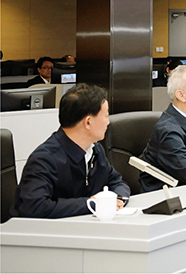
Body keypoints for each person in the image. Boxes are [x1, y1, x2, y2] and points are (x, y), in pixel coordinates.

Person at [10, 83, 129, 219]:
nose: (108, 122)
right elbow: (35, 207)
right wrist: (91, 204)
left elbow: (117, 182)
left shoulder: (95, 150)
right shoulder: (44, 159)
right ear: (88, 122)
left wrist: (118, 199)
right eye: (106, 116)